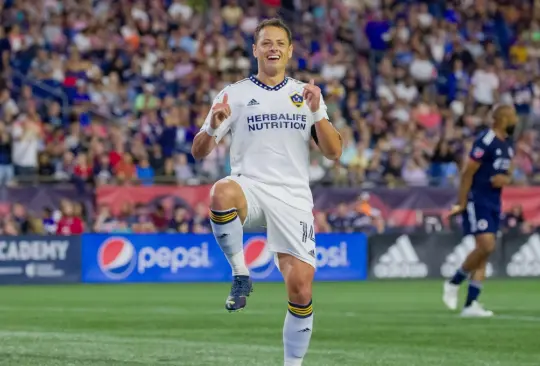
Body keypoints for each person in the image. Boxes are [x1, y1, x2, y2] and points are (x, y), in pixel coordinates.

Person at [191, 18, 342, 366]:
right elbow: (199, 152)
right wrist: (213, 126)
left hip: (293, 198)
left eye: (279, 43)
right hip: (251, 189)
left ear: (289, 51)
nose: (273, 48)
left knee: (301, 290)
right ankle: (241, 274)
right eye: (266, 43)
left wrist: (318, 109)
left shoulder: (306, 94)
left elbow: (334, 152)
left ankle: (293, 364)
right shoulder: (234, 93)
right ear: (255, 49)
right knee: (220, 192)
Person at [443, 105, 518, 317]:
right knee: (486, 244)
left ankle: (470, 305)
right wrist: (461, 202)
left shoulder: (509, 143)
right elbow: (468, 172)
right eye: (512, 117)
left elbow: (508, 170)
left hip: (495, 201)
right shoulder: (485, 141)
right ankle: (454, 282)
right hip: (479, 199)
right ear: (502, 119)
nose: (516, 121)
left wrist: (507, 179)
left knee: (485, 251)